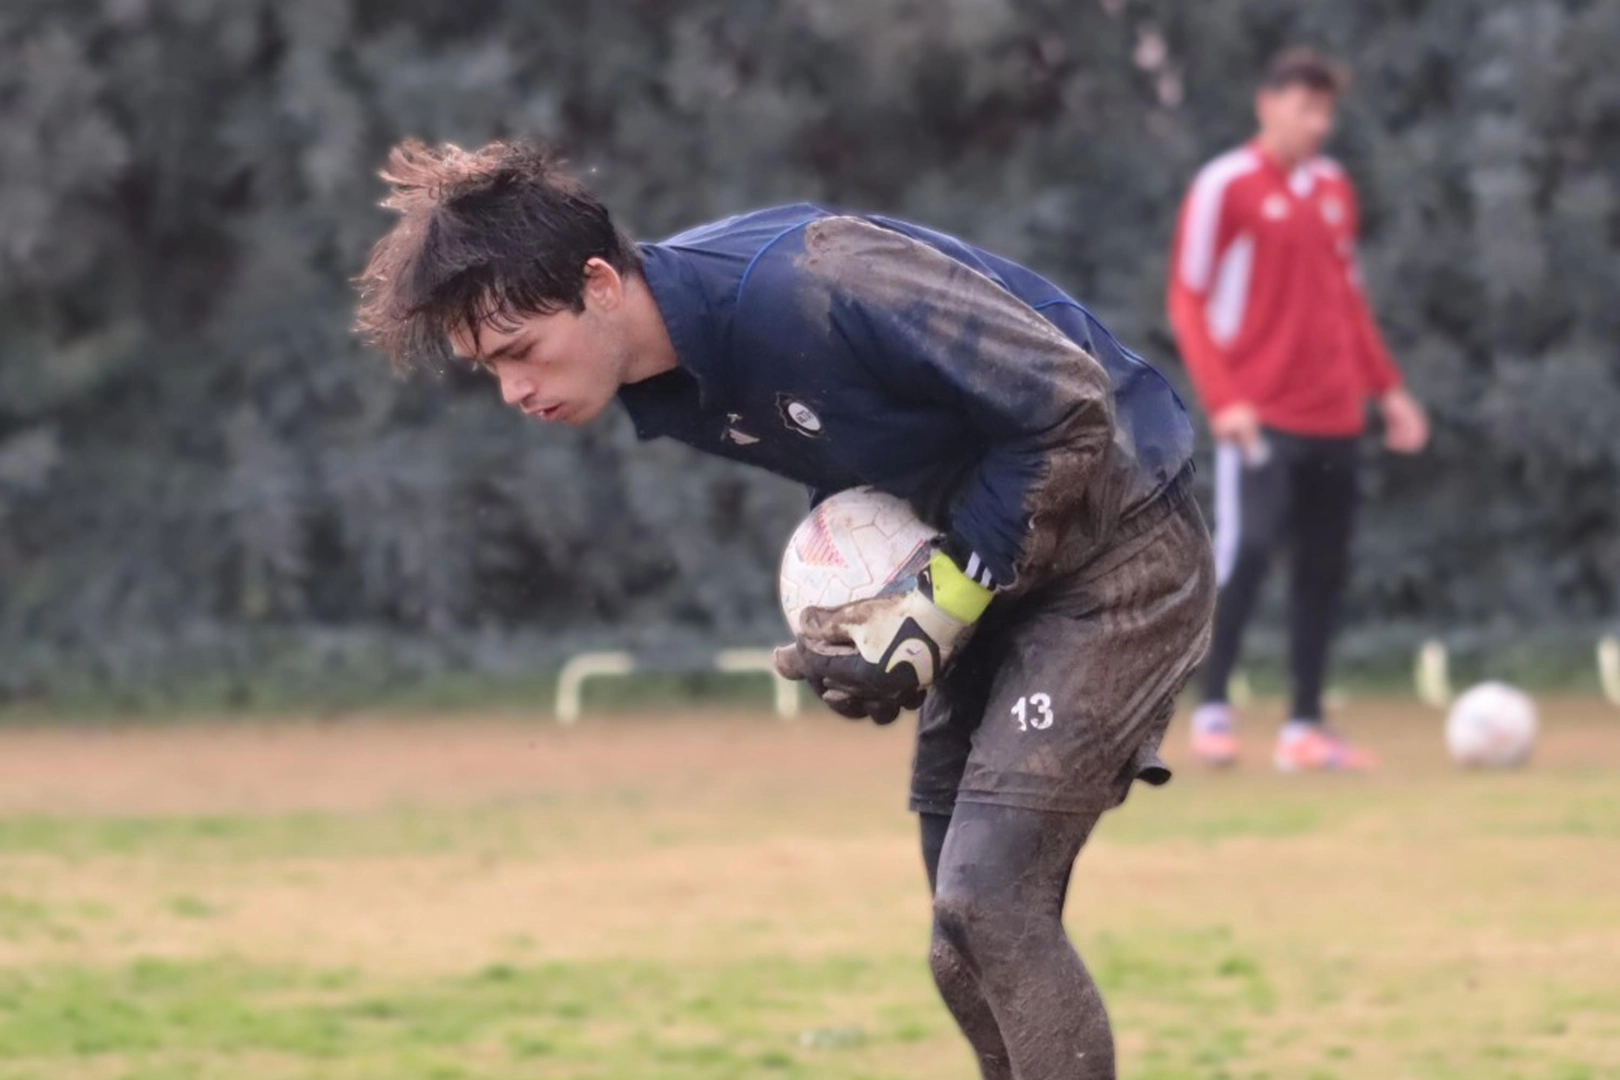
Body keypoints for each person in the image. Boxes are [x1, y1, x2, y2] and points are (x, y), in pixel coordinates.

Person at [355, 139, 1214, 1080]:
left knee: (991, 901)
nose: (514, 389)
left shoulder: (815, 280)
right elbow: (868, 454)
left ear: (599, 284)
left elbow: (1067, 405)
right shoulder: (672, 384)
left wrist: (945, 604)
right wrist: (877, 624)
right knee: (959, 939)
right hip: (999, 563)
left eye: (520, 350)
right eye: (488, 368)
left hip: (1118, 542)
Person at [1167, 47, 1429, 773]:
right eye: (1304, 107)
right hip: (1261, 414)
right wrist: (1226, 402)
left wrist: (1389, 390)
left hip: (1336, 416)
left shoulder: (1334, 187)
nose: (1316, 123)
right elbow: (1187, 298)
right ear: (1269, 104)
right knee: (1245, 556)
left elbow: (1349, 298)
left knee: (1324, 567)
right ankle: (1213, 709)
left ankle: (1305, 727)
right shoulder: (1227, 185)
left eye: (1325, 110)